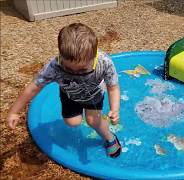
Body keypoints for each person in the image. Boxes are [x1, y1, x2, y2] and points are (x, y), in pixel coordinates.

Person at [7, 23, 122, 158]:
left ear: (94, 57)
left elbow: (113, 87)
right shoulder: (54, 66)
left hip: (93, 95)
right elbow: (33, 88)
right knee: (73, 123)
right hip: (69, 96)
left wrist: (115, 109)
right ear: (61, 57)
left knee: (93, 121)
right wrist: (14, 111)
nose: (75, 73)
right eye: (69, 69)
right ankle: (80, 115)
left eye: (82, 69)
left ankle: (110, 138)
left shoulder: (104, 63)